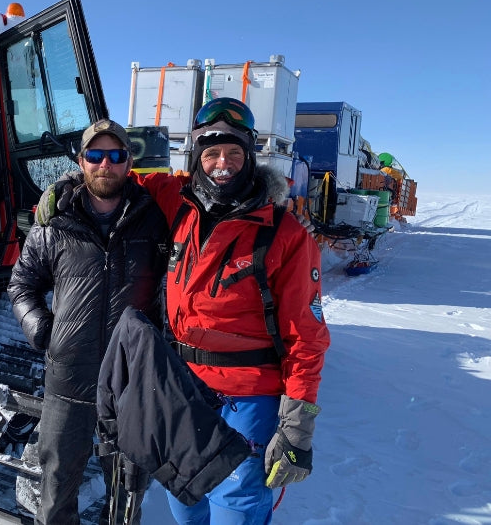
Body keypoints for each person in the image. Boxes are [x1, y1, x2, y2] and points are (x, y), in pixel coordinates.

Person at [38, 98, 331, 524]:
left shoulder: (283, 234)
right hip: (179, 389)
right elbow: (113, 178)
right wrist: (66, 188)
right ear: (197, 157)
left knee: (236, 509)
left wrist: (298, 426)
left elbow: (306, 337)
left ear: (251, 155)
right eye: (211, 153)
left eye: (234, 152)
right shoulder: (176, 198)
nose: (222, 164)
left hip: (246, 399)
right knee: (185, 503)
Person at [7, 118, 169, 525]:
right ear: (81, 161)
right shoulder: (56, 222)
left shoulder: (154, 220)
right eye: (95, 155)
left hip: (131, 382)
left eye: (115, 156)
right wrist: (42, 329)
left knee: (128, 491)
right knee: (57, 489)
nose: (105, 165)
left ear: (129, 162)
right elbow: (21, 283)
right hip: (67, 383)